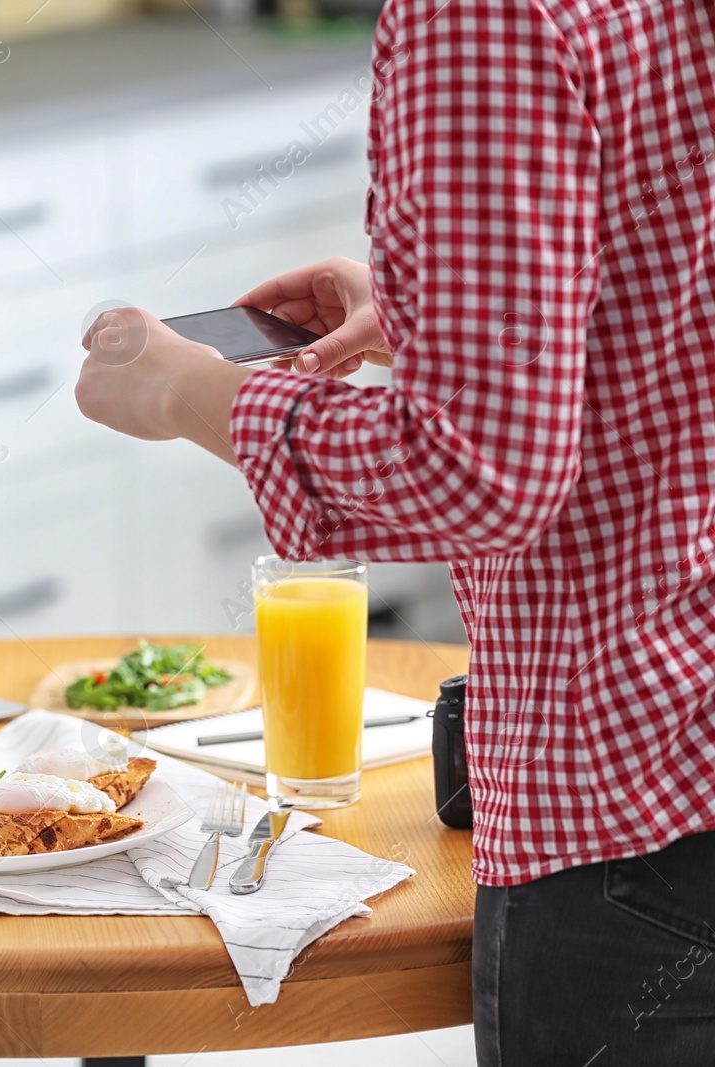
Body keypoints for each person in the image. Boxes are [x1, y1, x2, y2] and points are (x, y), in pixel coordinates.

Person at [74, 0, 715, 1063]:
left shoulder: (484, 15)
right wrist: (468, 316)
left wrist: (197, 399)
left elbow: (479, 472)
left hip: (633, 800)